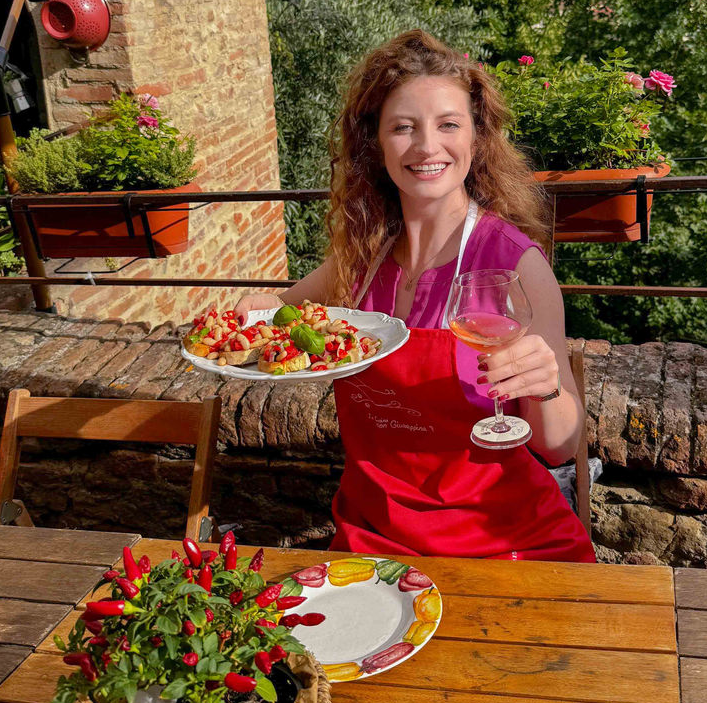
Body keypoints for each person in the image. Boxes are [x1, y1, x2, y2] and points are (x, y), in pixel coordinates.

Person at [235, 30, 595, 562]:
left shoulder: (516, 265)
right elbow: (275, 315)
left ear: (476, 139)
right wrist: (244, 315)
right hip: (372, 535)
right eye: (403, 128)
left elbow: (559, 446)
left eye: (448, 125)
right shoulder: (360, 261)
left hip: (499, 543)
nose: (428, 146)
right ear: (376, 147)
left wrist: (545, 387)